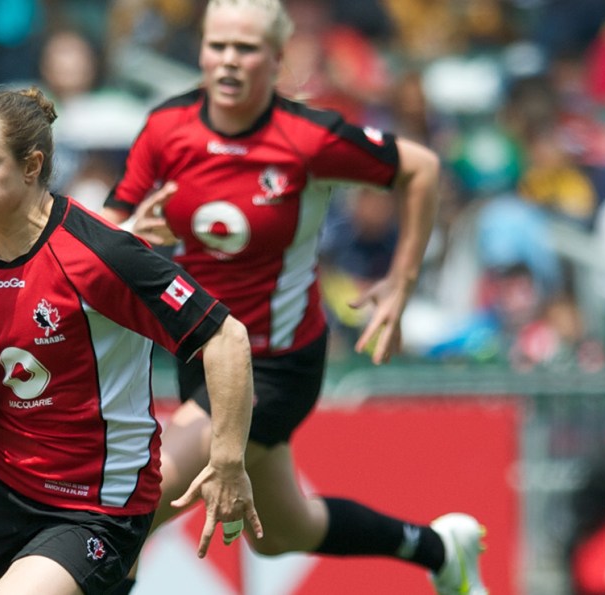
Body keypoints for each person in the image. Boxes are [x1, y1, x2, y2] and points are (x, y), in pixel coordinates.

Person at [100, 1, 488, 593]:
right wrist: (132, 238)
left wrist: (401, 283)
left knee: (137, 502)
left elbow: (423, 169)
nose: (230, 60)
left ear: (277, 58)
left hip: (276, 366)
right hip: (198, 356)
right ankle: (439, 548)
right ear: (200, 49)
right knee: (281, 531)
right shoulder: (166, 127)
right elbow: (110, 226)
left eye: (247, 48)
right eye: (218, 45)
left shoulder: (308, 137)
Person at [0, 86, 262, 595]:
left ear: (32, 166)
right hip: (1, 485)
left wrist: (228, 461)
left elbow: (226, 336)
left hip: (95, 507)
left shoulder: (101, 255)